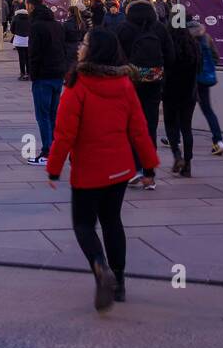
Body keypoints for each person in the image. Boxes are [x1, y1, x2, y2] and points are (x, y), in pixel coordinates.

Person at [46, 28, 158, 310]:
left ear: (92, 50)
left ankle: (99, 265)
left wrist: (54, 168)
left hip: (88, 170)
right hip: (120, 169)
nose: (79, 47)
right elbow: (139, 129)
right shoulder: (124, 84)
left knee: (83, 224)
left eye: (84, 43)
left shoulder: (78, 84)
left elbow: (64, 133)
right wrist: (149, 167)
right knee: (112, 221)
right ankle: (119, 282)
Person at [115, 0, 173, 186]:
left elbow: (115, 56)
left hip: (130, 82)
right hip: (154, 82)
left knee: (130, 126)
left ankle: (135, 168)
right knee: (150, 126)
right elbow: (170, 55)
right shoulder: (159, 27)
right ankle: (150, 174)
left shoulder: (124, 27)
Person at [26, 0, 68, 165]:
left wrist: (33, 74)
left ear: (30, 5)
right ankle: (54, 149)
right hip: (57, 75)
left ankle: (46, 152)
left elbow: (34, 53)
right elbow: (63, 49)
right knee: (52, 114)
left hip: (43, 76)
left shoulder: (36, 26)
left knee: (42, 115)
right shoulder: (56, 24)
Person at [163, 15, 202, 176]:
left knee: (171, 126)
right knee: (187, 128)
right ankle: (188, 164)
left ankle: (177, 155)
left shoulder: (168, 44)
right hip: (189, 92)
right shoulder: (193, 44)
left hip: (170, 91)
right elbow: (199, 67)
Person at [188, 21, 223, 155]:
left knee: (182, 111)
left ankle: (175, 139)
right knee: (208, 111)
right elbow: (216, 57)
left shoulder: (185, 38)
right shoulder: (206, 37)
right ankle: (218, 141)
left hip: (189, 80)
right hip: (204, 79)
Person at [10, 0, 32, 79]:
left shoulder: (16, 18)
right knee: (28, 57)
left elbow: (12, 29)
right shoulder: (30, 17)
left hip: (19, 39)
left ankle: (22, 73)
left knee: (21, 57)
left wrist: (16, 32)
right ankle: (29, 72)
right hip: (28, 39)